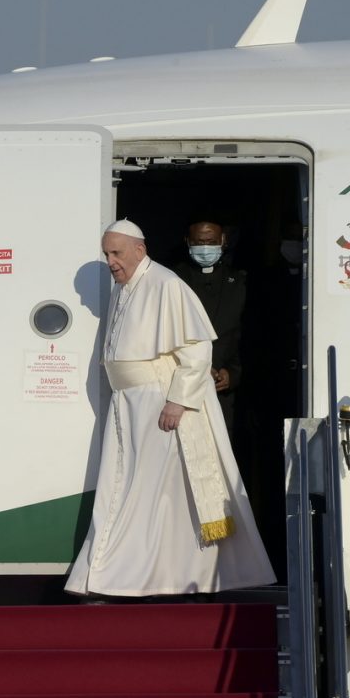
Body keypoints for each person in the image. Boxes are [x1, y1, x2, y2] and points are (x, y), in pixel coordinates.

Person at [65, 219, 274, 597]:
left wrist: (178, 401)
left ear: (139, 250)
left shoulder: (166, 284)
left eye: (116, 253)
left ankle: (152, 574)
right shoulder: (125, 287)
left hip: (158, 402)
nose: (111, 262)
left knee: (160, 496)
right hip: (128, 404)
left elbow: (196, 351)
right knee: (130, 489)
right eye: (107, 254)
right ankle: (127, 572)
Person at [172, 221, 246, 436]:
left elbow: (245, 335)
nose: (205, 248)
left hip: (223, 391)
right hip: (182, 390)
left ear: (223, 241)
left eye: (211, 242)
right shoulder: (173, 280)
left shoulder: (240, 282)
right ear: (188, 242)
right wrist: (199, 367)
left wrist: (233, 373)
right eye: (199, 242)